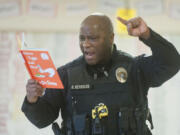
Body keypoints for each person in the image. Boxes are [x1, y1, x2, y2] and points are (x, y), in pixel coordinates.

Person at [21, 13, 180, 135]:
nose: (85, 44)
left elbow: (171, 62)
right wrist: (32, 100)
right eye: (82, 38)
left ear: (111, 38)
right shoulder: (65, 75)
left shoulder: (134, 69)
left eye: (93, 38)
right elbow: (42, 120)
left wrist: (146, 34)